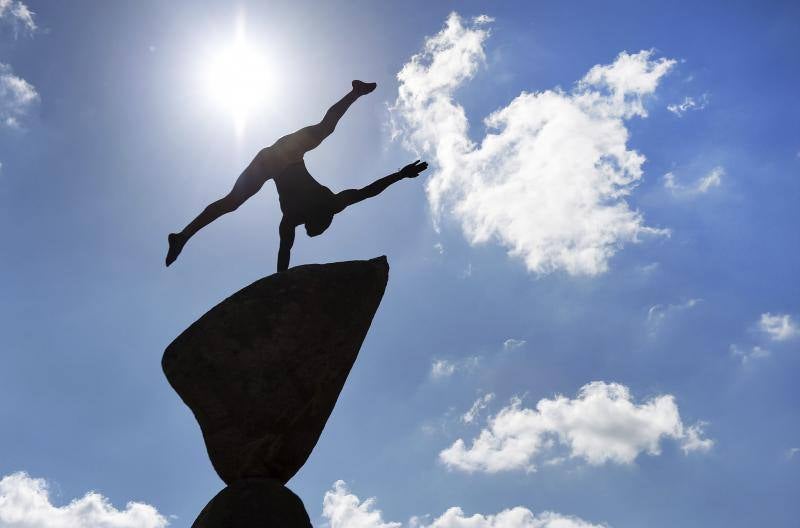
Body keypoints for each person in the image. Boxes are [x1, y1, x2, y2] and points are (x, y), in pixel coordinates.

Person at [165, 80, 428, 272]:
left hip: (271, 161)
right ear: (321, 217)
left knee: (232, 202)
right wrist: (400, 175)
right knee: (324, 130)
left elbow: (284, 252)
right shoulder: (331, 205)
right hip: (286, 154)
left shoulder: (292, 220)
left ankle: (183, 236)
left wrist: (281, 282)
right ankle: (356, 92)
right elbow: (369, 191)